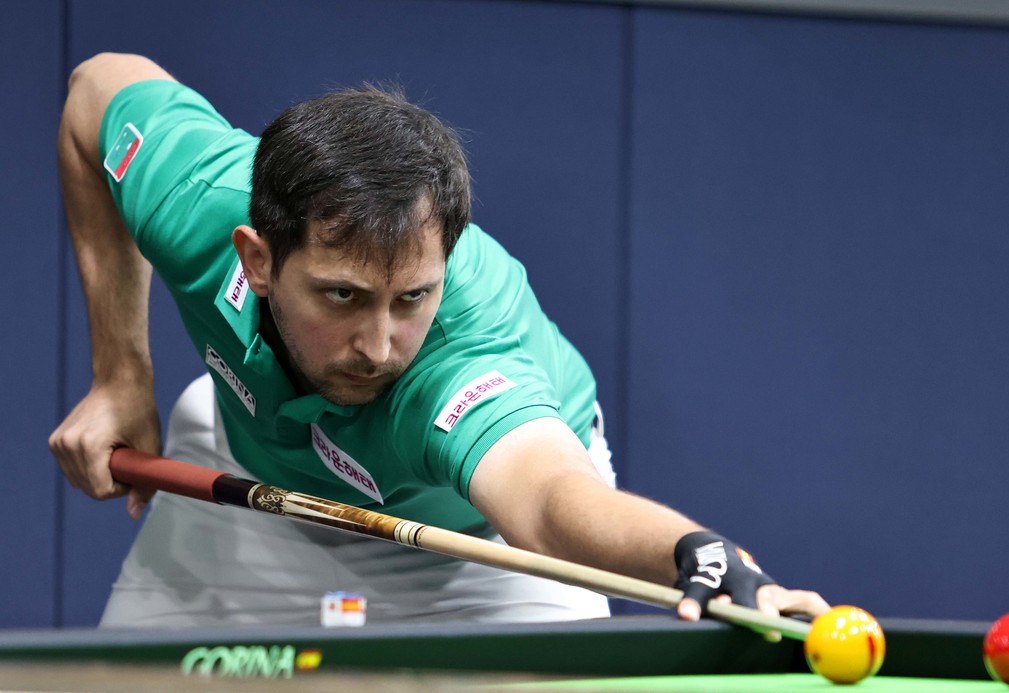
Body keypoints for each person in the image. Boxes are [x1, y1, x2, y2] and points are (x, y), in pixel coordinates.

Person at [50, 52, 829, 628]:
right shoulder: (200, 198)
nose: (378, 346)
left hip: (473, 545)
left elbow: (548, 503)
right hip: (253, 479)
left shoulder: (457, 362)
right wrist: (120, 373)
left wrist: (695, 550)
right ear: (257, 260)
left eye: (411, 297)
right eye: (342, 295)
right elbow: (95, 89)